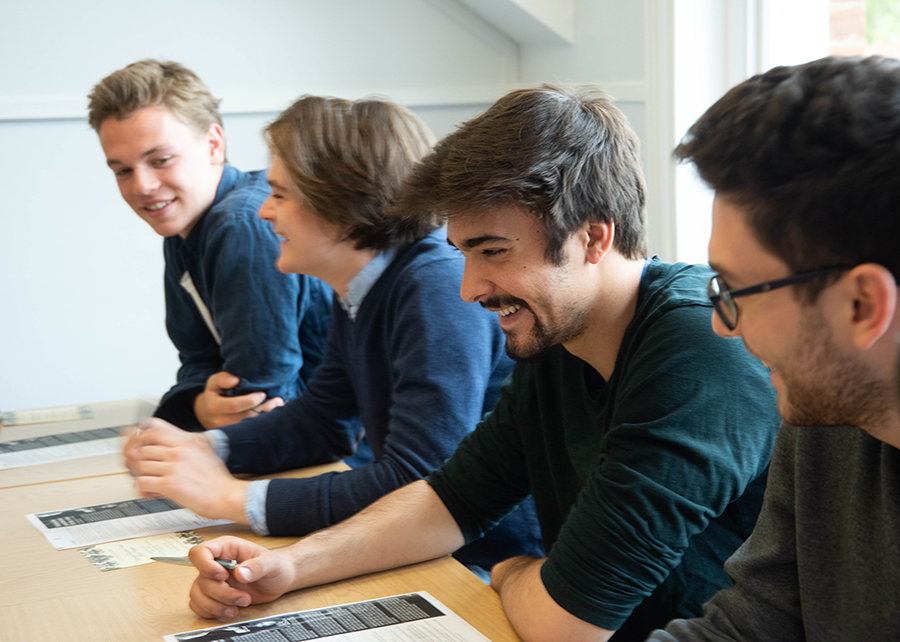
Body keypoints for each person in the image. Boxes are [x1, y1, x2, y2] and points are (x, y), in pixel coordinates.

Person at [182, 85, 781, 642]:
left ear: (594, 238)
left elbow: (565, 625)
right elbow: (450, 499)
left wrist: (513, 570)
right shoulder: (557, 334)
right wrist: (287, 566)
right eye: (464, 252)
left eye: (493, 251)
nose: (470, 288)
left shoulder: (695, 345)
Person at [124, 95, 543, 572]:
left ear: (343, 204)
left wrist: (231, 496)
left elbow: (416, 480)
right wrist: (203, 447)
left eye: (280, 195)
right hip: (426, 552)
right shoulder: (369, 284)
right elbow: (324, 420)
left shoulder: (433, 287)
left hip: (488, 566)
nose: (264, 212)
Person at [645, 56, 900, 641]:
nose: (721, 326)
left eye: (737, 290)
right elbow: (752, 623)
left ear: (862, 305)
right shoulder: (825, 404)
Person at [88, 60, 333, 431]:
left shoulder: (240, 225)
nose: (142, 186)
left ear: (214, 145)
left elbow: (263, 397)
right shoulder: (182, 224)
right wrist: (200, 405)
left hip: (333, 451)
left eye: (161, 160)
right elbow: (198, 360)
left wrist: (195, 412)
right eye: (122, 170)